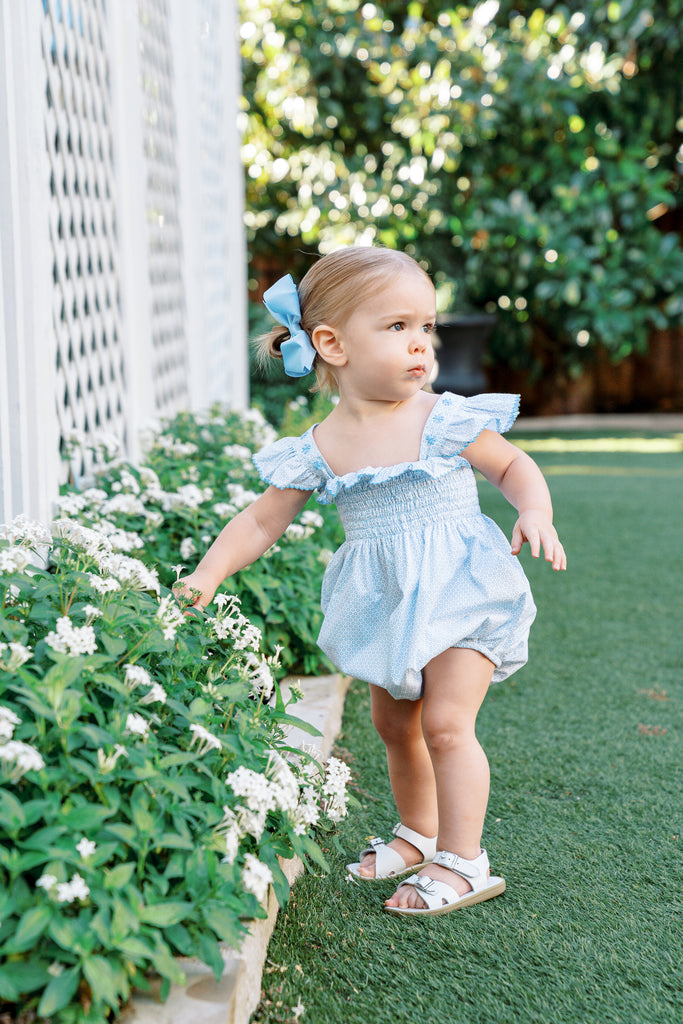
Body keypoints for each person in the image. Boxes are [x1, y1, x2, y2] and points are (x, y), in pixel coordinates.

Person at [175, 245, 566, 917]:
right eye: (396, 328)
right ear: (330, 343)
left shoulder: (441, 417)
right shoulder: (319, 445)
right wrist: (208, 572)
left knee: (445, 723)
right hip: (388, 603)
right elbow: (260, 521)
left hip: (464, 591)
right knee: (395, 723)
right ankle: (417, 834)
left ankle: (464, 859)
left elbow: (509, 466)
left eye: (425, 327)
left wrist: (533, 509)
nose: (420, 345)